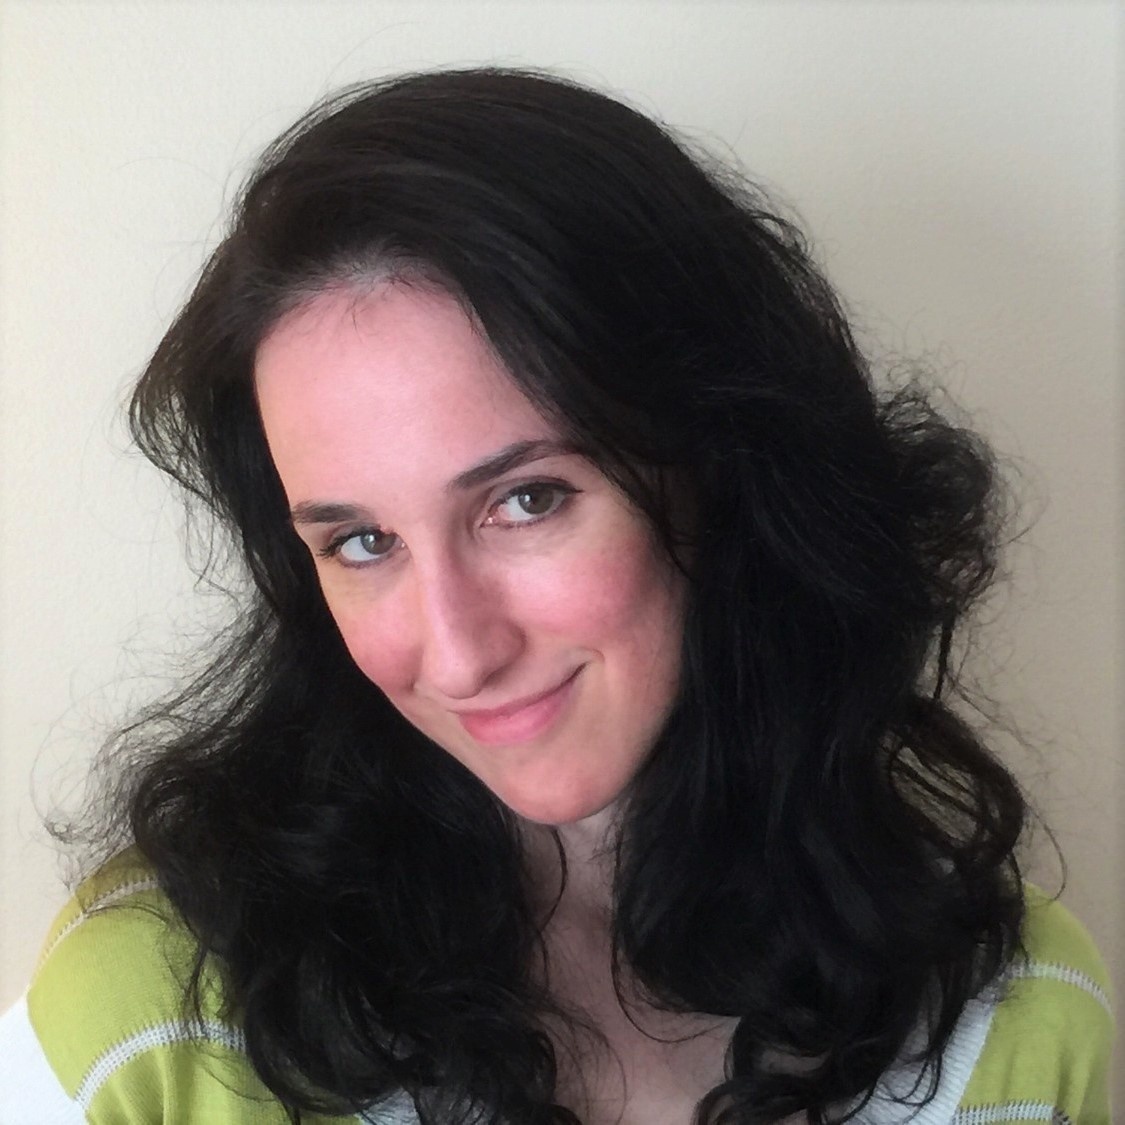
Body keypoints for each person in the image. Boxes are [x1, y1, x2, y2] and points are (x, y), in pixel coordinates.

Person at [0, 68, 1112, 1125]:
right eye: (363, 542)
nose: (456, 652)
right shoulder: (145, 1019)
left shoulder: (1013, 1015)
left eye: (526, 500)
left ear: (721, 462)